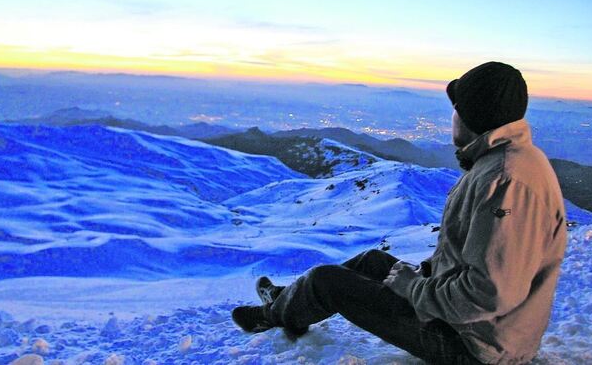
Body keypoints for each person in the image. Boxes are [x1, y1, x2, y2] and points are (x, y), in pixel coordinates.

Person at [232, 62, 568, 365]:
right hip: (480, 329)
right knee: (372, 262)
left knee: (326, 280)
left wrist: (414, 289)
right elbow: (477, 258)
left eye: (456, 109)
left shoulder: (505, 180)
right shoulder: (505, 161)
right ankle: (287, 301)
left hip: (475, 346)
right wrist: (424, 274)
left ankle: (272, 314)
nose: (451, 116)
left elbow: (489, 294)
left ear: (471, 117)